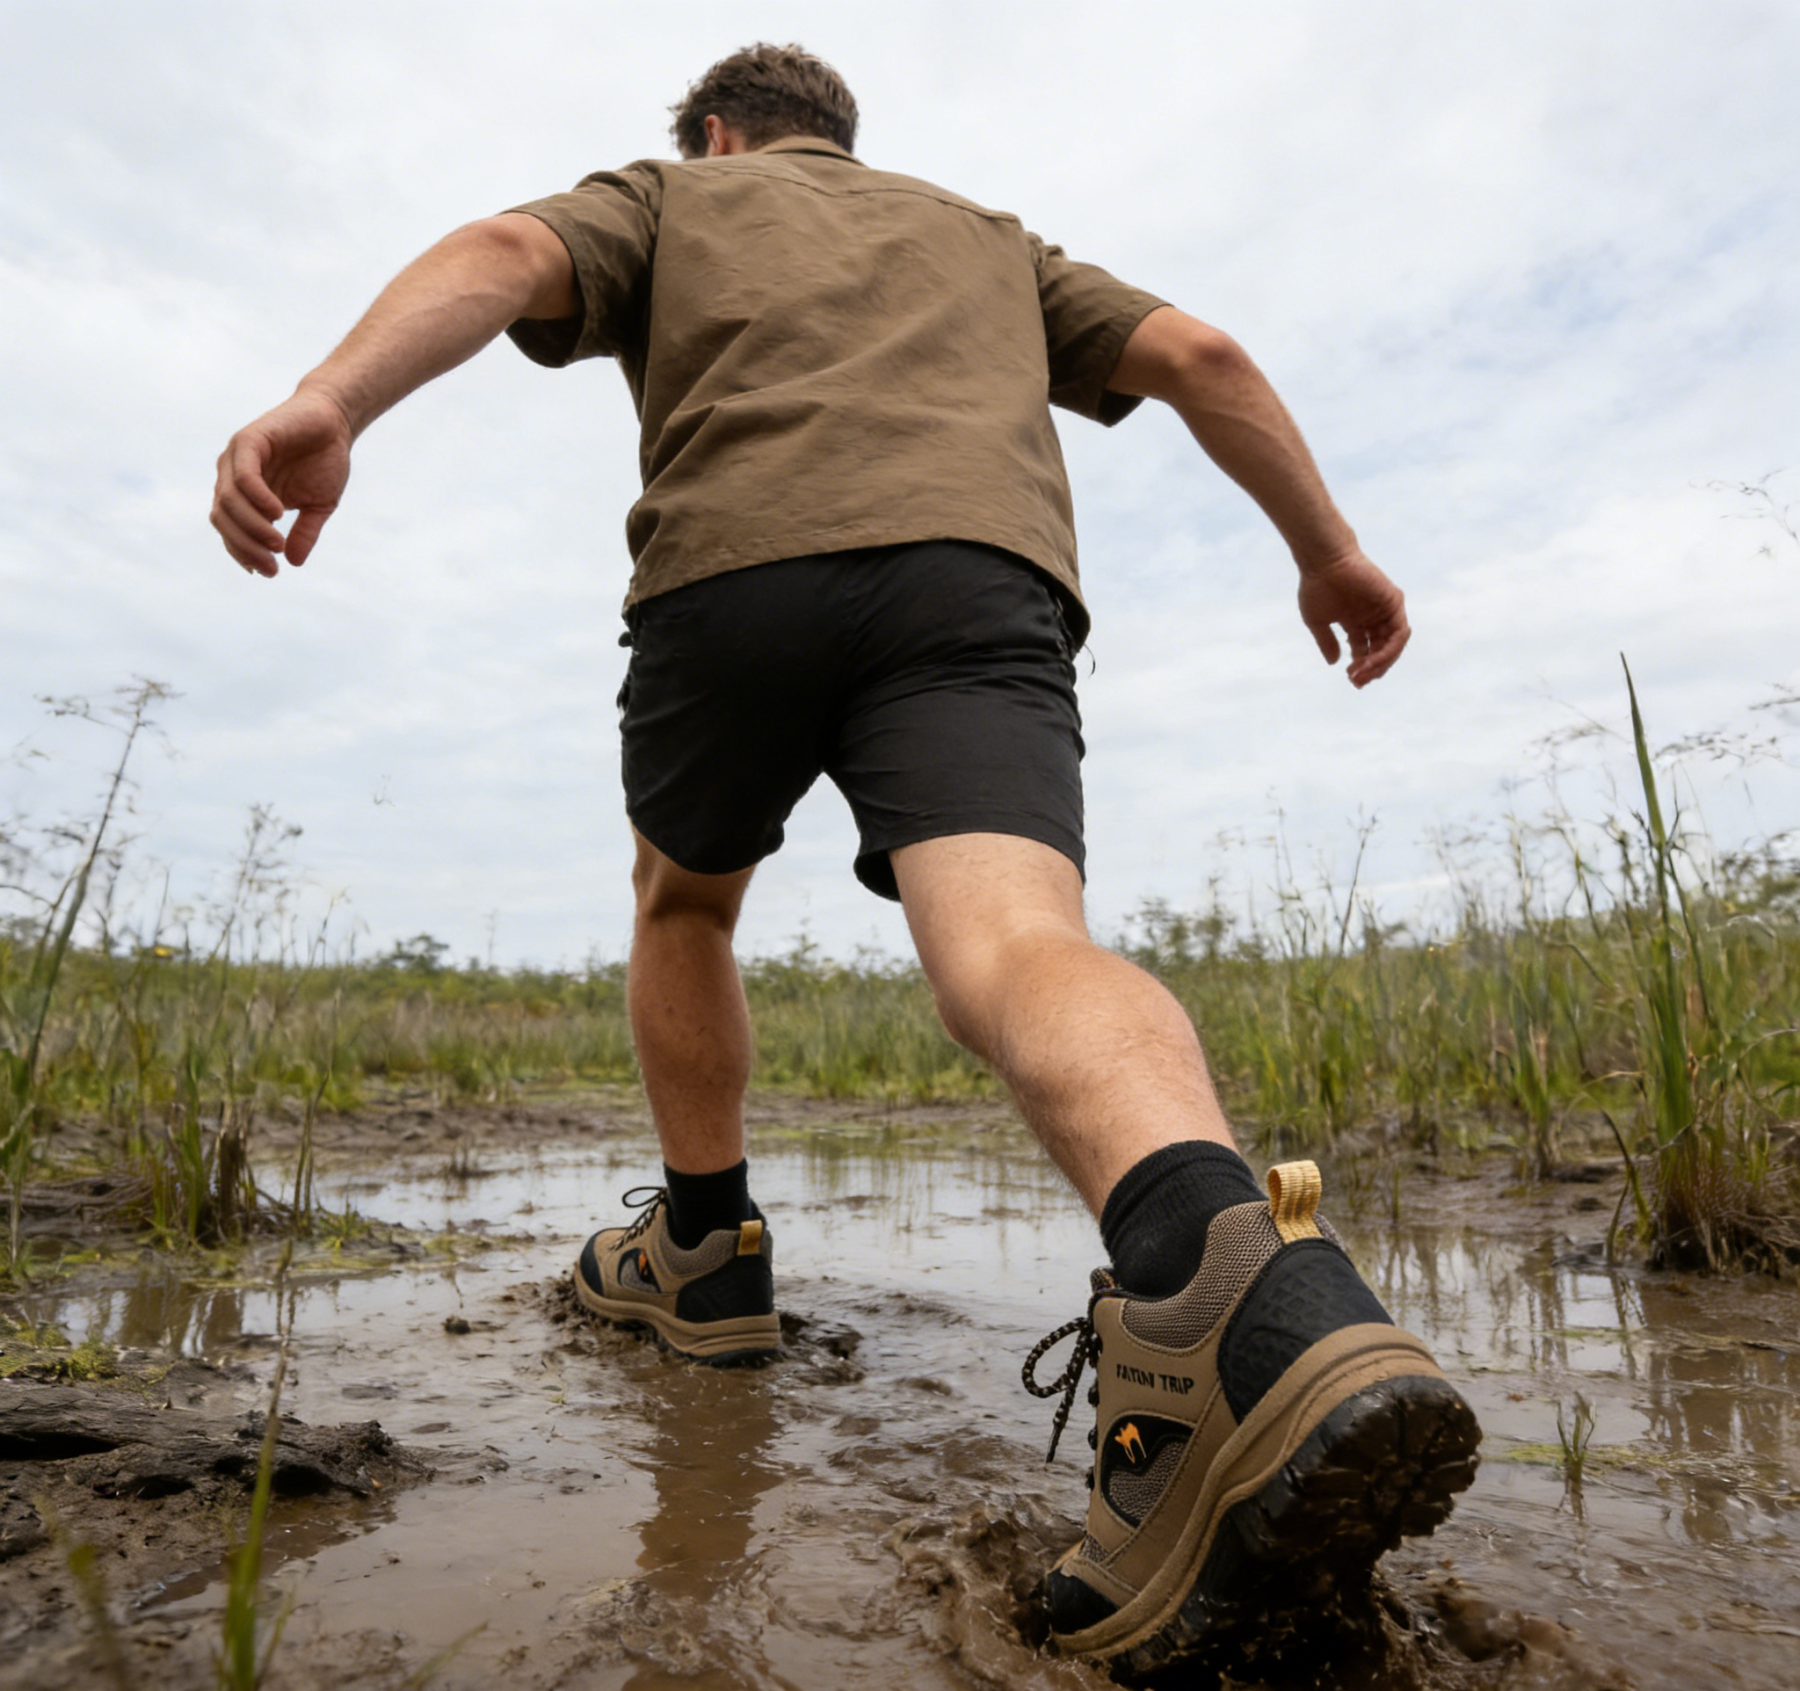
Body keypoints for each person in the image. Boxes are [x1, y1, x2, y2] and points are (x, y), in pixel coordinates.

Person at [211, 41, 1477, 1673]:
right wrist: (1334, 550)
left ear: (721, 133)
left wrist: (331, 400)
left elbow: (504, 254)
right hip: (977, 579)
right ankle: (1230, 1275)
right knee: (1021, 942)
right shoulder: (988, 239)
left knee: (687, 898)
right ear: (844, 138)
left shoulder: (675, 195)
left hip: (732, 569)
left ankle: (706, 1249)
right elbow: (1203, 353)